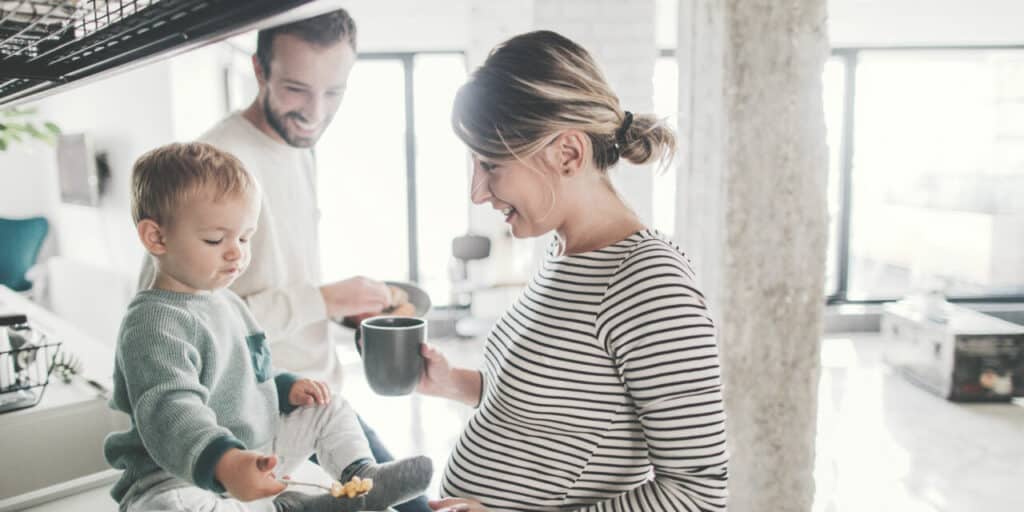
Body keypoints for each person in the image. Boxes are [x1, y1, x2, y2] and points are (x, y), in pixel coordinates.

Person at [417, 31, 729, 512]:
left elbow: (697, 494)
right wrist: (452, 382)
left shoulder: (650, 283)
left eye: (492, 165)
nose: (478, 191)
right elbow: (555, 414)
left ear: (568, 153)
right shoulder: (564, 254)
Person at [137, 11, 431, 511]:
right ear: (259, 70)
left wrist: (340, 309)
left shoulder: (297, 148)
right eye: (297, 89)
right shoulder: (217, 163)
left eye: (333, 92)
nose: (315, 112)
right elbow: (178, 313)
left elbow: (275, 279)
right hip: (252, 424)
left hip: (312, 399)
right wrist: (322, 298)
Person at [106, 142, 432, 512]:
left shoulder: (225, 301)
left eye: (245, 238)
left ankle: (361, 478)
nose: (237, 253)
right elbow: (170, 411)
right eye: (216, 239)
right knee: (171, 508)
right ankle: (291, 508)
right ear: (156, 238)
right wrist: (225, 463)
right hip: (177, 476)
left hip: (255, 454)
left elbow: (248, 372)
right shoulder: (153, 323)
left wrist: (285, 387)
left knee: (330, 408)